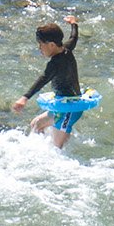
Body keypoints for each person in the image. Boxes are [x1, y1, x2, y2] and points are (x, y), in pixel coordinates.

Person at [12, 15, 84, 149]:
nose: (39, 48)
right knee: (36, 125)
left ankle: (64, 139)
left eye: (41, 45)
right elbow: (74, 37)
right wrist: (73, 24)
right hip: (62, 106)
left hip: (69, 109)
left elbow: (42, 79)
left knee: (57, 150)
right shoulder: (67, 48)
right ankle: (62, 135)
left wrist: (24, 98)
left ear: (51, 44)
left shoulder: (55, 64)